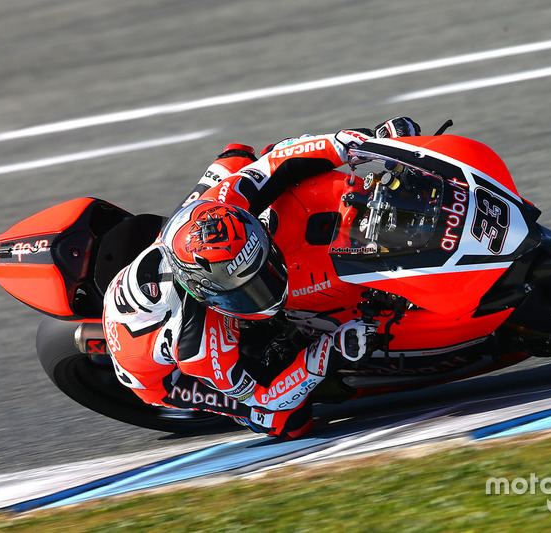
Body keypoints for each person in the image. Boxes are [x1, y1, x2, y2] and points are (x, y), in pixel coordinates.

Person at [102, 117, 421, 438]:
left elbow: (276, 163)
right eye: (249, 288)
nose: (267, 287)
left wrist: (355, 144)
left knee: (242, 157)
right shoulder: (200, 350)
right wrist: (328, 353)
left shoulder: (216, 207)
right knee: (284, 422)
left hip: (178, 261)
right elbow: (263, 398)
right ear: (206, 293)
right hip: (161, 377)